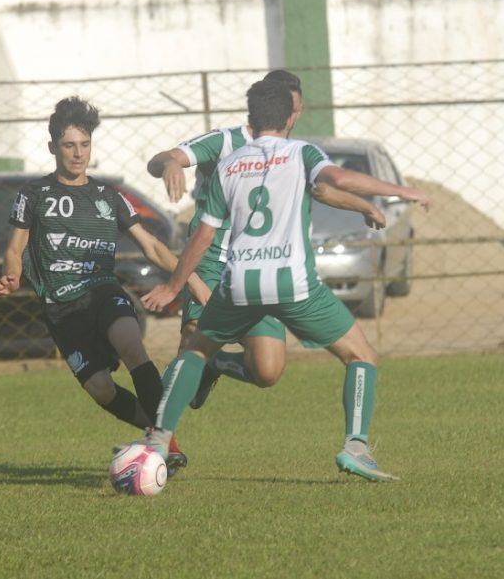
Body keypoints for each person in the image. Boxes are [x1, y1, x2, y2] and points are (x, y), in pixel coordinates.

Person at [139, 79, 433, 483]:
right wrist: (403, 190)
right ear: (291, 115)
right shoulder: (301, 153)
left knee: (198, 349)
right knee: (360, 355)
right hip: (292, 284)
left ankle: (157, 442)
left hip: (238, 282)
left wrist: (173, 287)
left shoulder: (229, 165)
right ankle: (356, 448)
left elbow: (204, 235)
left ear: (251, 116)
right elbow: (340, 180)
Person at [146, 69, 400, 409]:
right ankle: (159, 440)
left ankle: (216, 365)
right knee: (195, 335)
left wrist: (361, 205)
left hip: (263, 267)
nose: (296, 116)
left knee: (267, 371)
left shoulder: (293, 153)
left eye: (298, 109)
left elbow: (322, 189)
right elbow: (163, 159)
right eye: (292, 108)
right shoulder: (225, 141)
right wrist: (170, 165)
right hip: (211, 261)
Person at [0, 96, 211, 474]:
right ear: (52, 148)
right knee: (102, 390)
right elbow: (15, 248)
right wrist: (12, 275)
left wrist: (192, 281)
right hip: (61, 308)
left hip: (103, 291)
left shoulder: (108, 196)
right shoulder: (34, 195)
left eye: (84, 145)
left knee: (132, 346)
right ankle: (152, 432)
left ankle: (166, 443)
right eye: (69, 145)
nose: (78, 154)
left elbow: (153, 246)